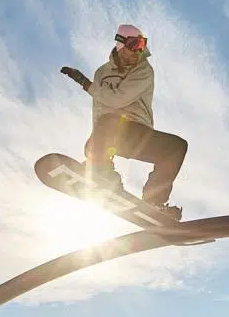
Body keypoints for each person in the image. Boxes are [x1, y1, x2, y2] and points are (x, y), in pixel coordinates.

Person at [61, 23, 188, 221]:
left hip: (136, 134)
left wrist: (85, 84)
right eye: (135, 45)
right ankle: (101, 172)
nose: (139, 51)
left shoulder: (144, 70)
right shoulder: (102, 73)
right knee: (108, 120)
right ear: (120, 44)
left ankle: (154, 202)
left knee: (176, 147)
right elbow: (99, 108)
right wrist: (97, 147)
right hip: (107, 133)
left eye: (142, 46)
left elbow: (118, 99)